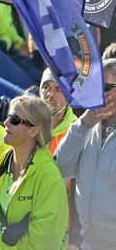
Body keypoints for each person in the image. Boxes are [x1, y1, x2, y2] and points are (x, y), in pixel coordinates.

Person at [0, 95, 68, 249]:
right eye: (8, 116)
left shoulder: (49, 176)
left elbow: (45, 242)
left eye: (14, 119)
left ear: (34, 130)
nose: (5, 122)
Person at [55, 58, 116, 250]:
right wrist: (83, 125)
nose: (100, 94)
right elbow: (60, 168)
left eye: (106, 87)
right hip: (87, 243)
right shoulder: (85, 128)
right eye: (96, 87)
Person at [38, 68, 76, 154]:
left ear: (68, 96)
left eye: (59, 89)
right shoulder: (26, 121)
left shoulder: (76, 131)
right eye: (46, 87)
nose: (50, 94)